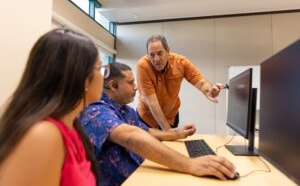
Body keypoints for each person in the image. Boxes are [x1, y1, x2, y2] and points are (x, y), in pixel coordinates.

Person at [79, 62, 236, 186]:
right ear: (113, 85)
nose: (136, 87)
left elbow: (145, 131)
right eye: (131, 82)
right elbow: (131, 136)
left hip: (140, 173)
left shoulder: (124, 109)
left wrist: (176, 133)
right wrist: (190, 164)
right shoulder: (95, 110)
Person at [0, 29, 108, 186]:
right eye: (100, 69)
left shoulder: (73, 128)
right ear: (83, 78)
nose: (103, 76)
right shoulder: (43, 135)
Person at [137, 35, 225, 130]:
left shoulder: (181, 62)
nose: (156, 59)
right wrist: (168, 131)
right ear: (147, 54)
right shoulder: (143, 65)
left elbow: (202, 83)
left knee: (171, 145)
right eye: (152, 55)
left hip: (170, 117)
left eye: (160, 53)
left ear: (168, 51)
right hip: (147, 117)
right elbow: (151, 101)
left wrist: (209, 91)